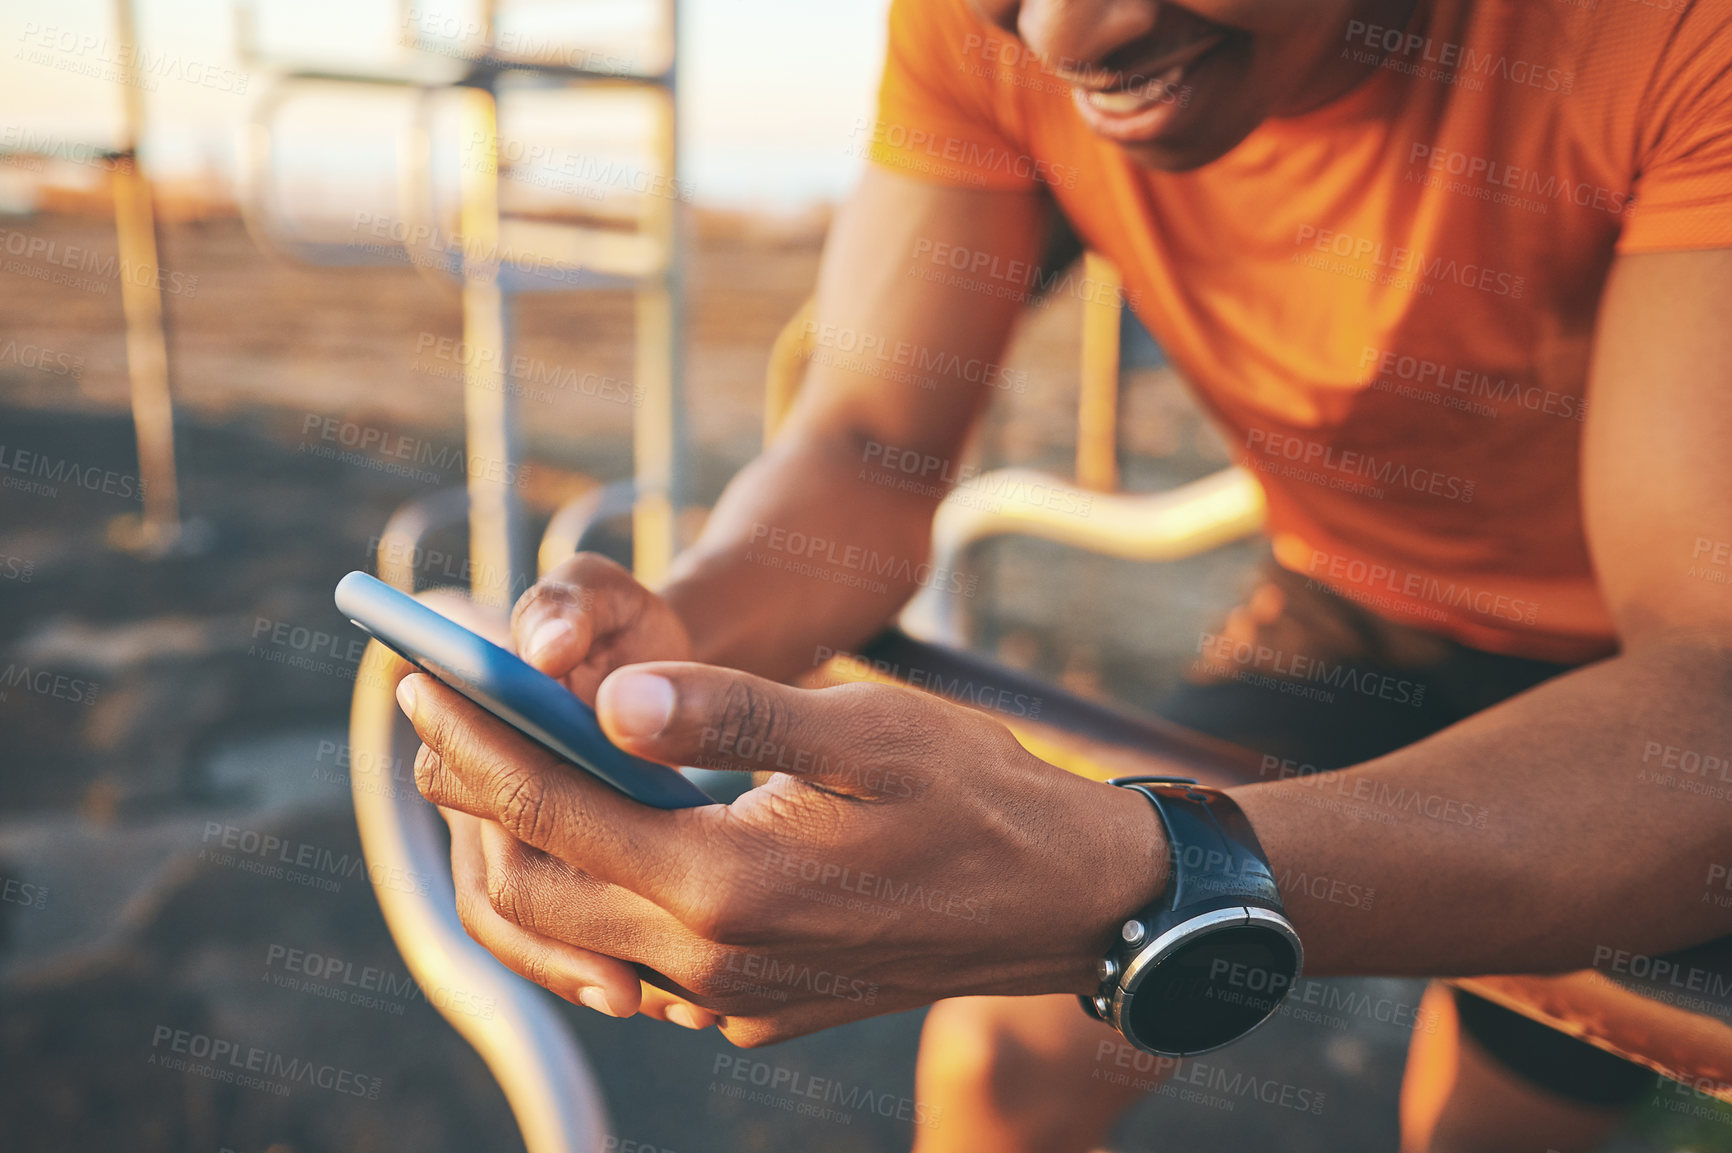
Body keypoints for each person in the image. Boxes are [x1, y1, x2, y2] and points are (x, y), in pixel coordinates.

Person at [394, 0, 1732, 1148]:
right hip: (1351, 605)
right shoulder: (993, 33)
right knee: (1000, 1064)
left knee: (1488, 1126)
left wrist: (1135, 868)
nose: (1065, 40)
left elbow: (1708, 692)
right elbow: (868, 438)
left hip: (1635, 690)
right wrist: (673, 640)